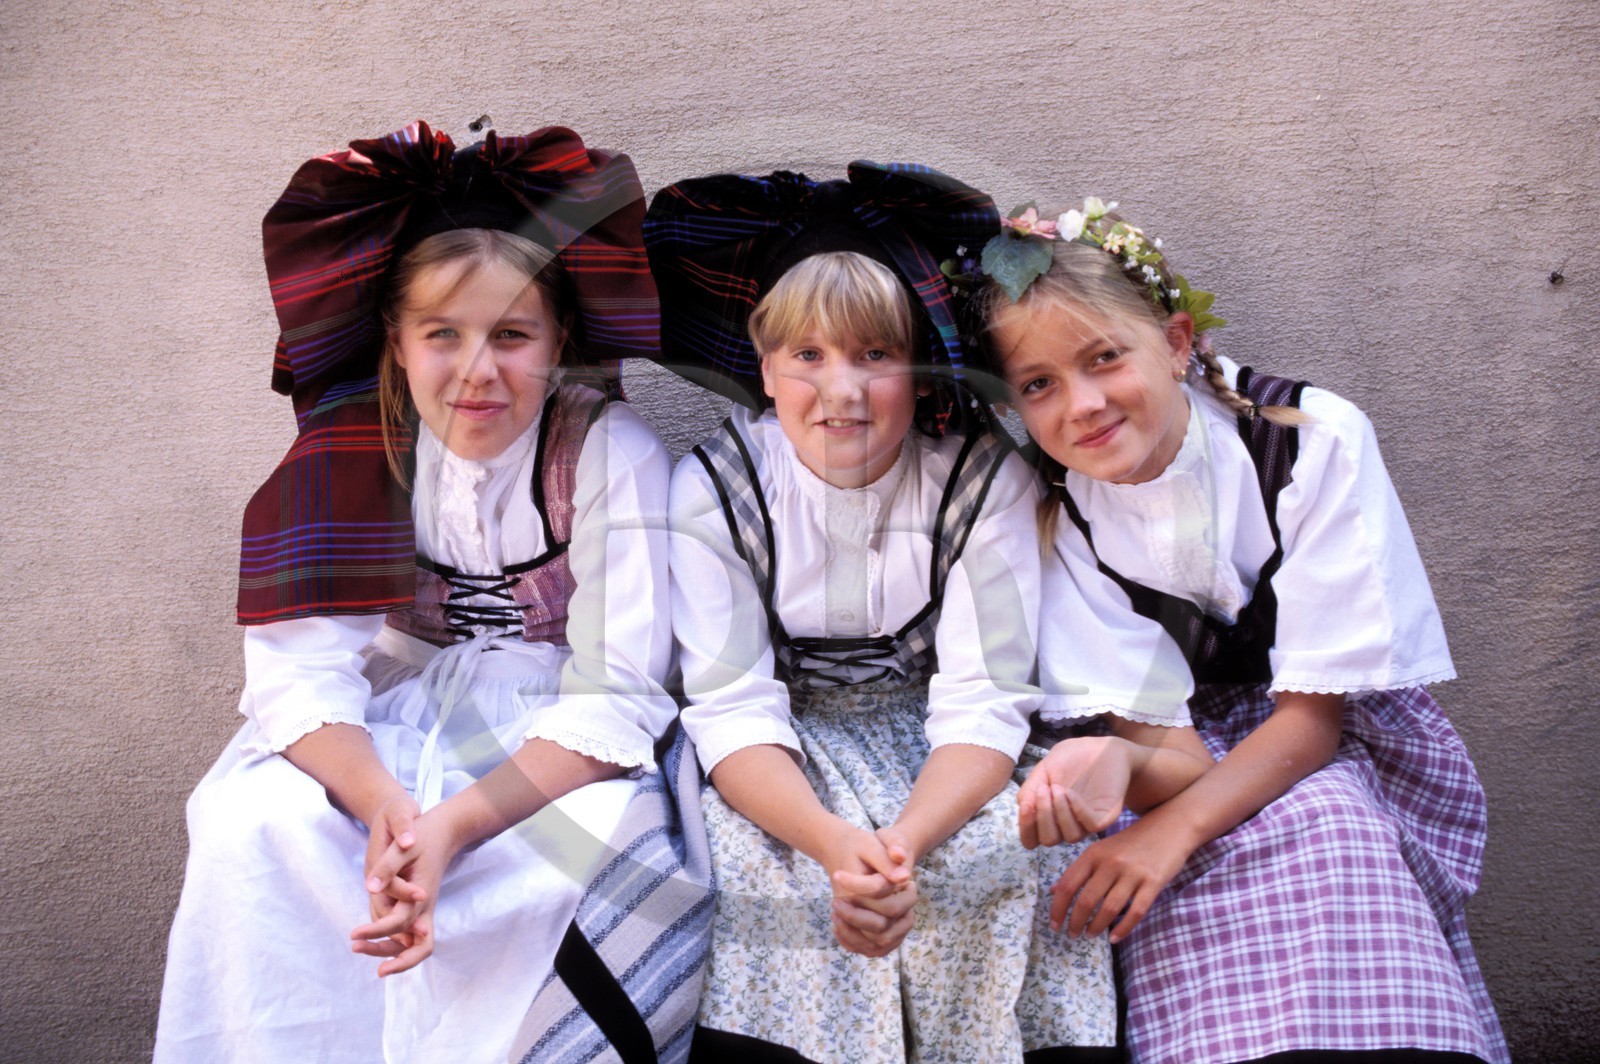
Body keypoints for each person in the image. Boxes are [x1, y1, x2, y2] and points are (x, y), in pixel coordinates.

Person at [155, 122, 709, 1064]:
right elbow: (300, 676)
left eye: (512, 335)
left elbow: (615, 687)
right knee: (255, 824)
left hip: (552, 736)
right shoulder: (347, 453)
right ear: (397, 341)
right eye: (443, 335)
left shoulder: (613, 451)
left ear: (560, 337)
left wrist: (452, 824)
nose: (478, 369)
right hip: (385, 720)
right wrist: (386, 809)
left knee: (572, 850)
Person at [645, 168, 1209, 1063]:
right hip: (783, 757)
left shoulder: (979, 480)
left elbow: (986, 694)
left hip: (947, 752)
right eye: (809, 356)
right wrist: (835, 845)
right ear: (763, 366)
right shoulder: (714, 489)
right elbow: (731, 706)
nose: (844, 392)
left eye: (877, 355)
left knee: (1000, 854)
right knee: (761, 869)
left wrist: (902, 844)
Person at [972, 198, 1510, 1063]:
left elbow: (1313, 721)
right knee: (1134, 886)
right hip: (1164, 753)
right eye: (1038, 385)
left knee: (1329, 825)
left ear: (1179, 342)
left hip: (1321, 734)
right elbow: (1162, 746)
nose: (1083, 404)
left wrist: (1169, 832)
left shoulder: (1308, 441)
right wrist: (1125, 779)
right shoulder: (1054, 515)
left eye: (1106, 358)